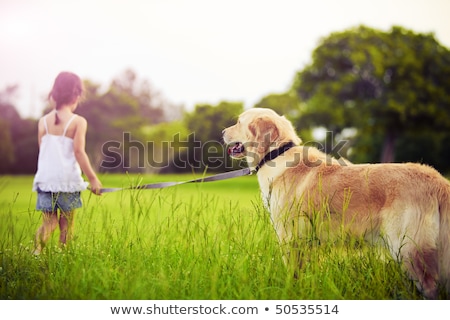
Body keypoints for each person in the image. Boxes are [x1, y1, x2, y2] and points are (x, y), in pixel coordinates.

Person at [32, 71, 102, 254]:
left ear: (54, 95)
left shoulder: (43, 122)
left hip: (46, 180)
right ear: (76, 96)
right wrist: (93, 179)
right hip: (67, 181)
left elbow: (43, 151)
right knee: (66, 226)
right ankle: (64, 258)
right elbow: (79, 152)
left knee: (49, 222)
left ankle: (36, 252)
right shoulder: (78, 122)